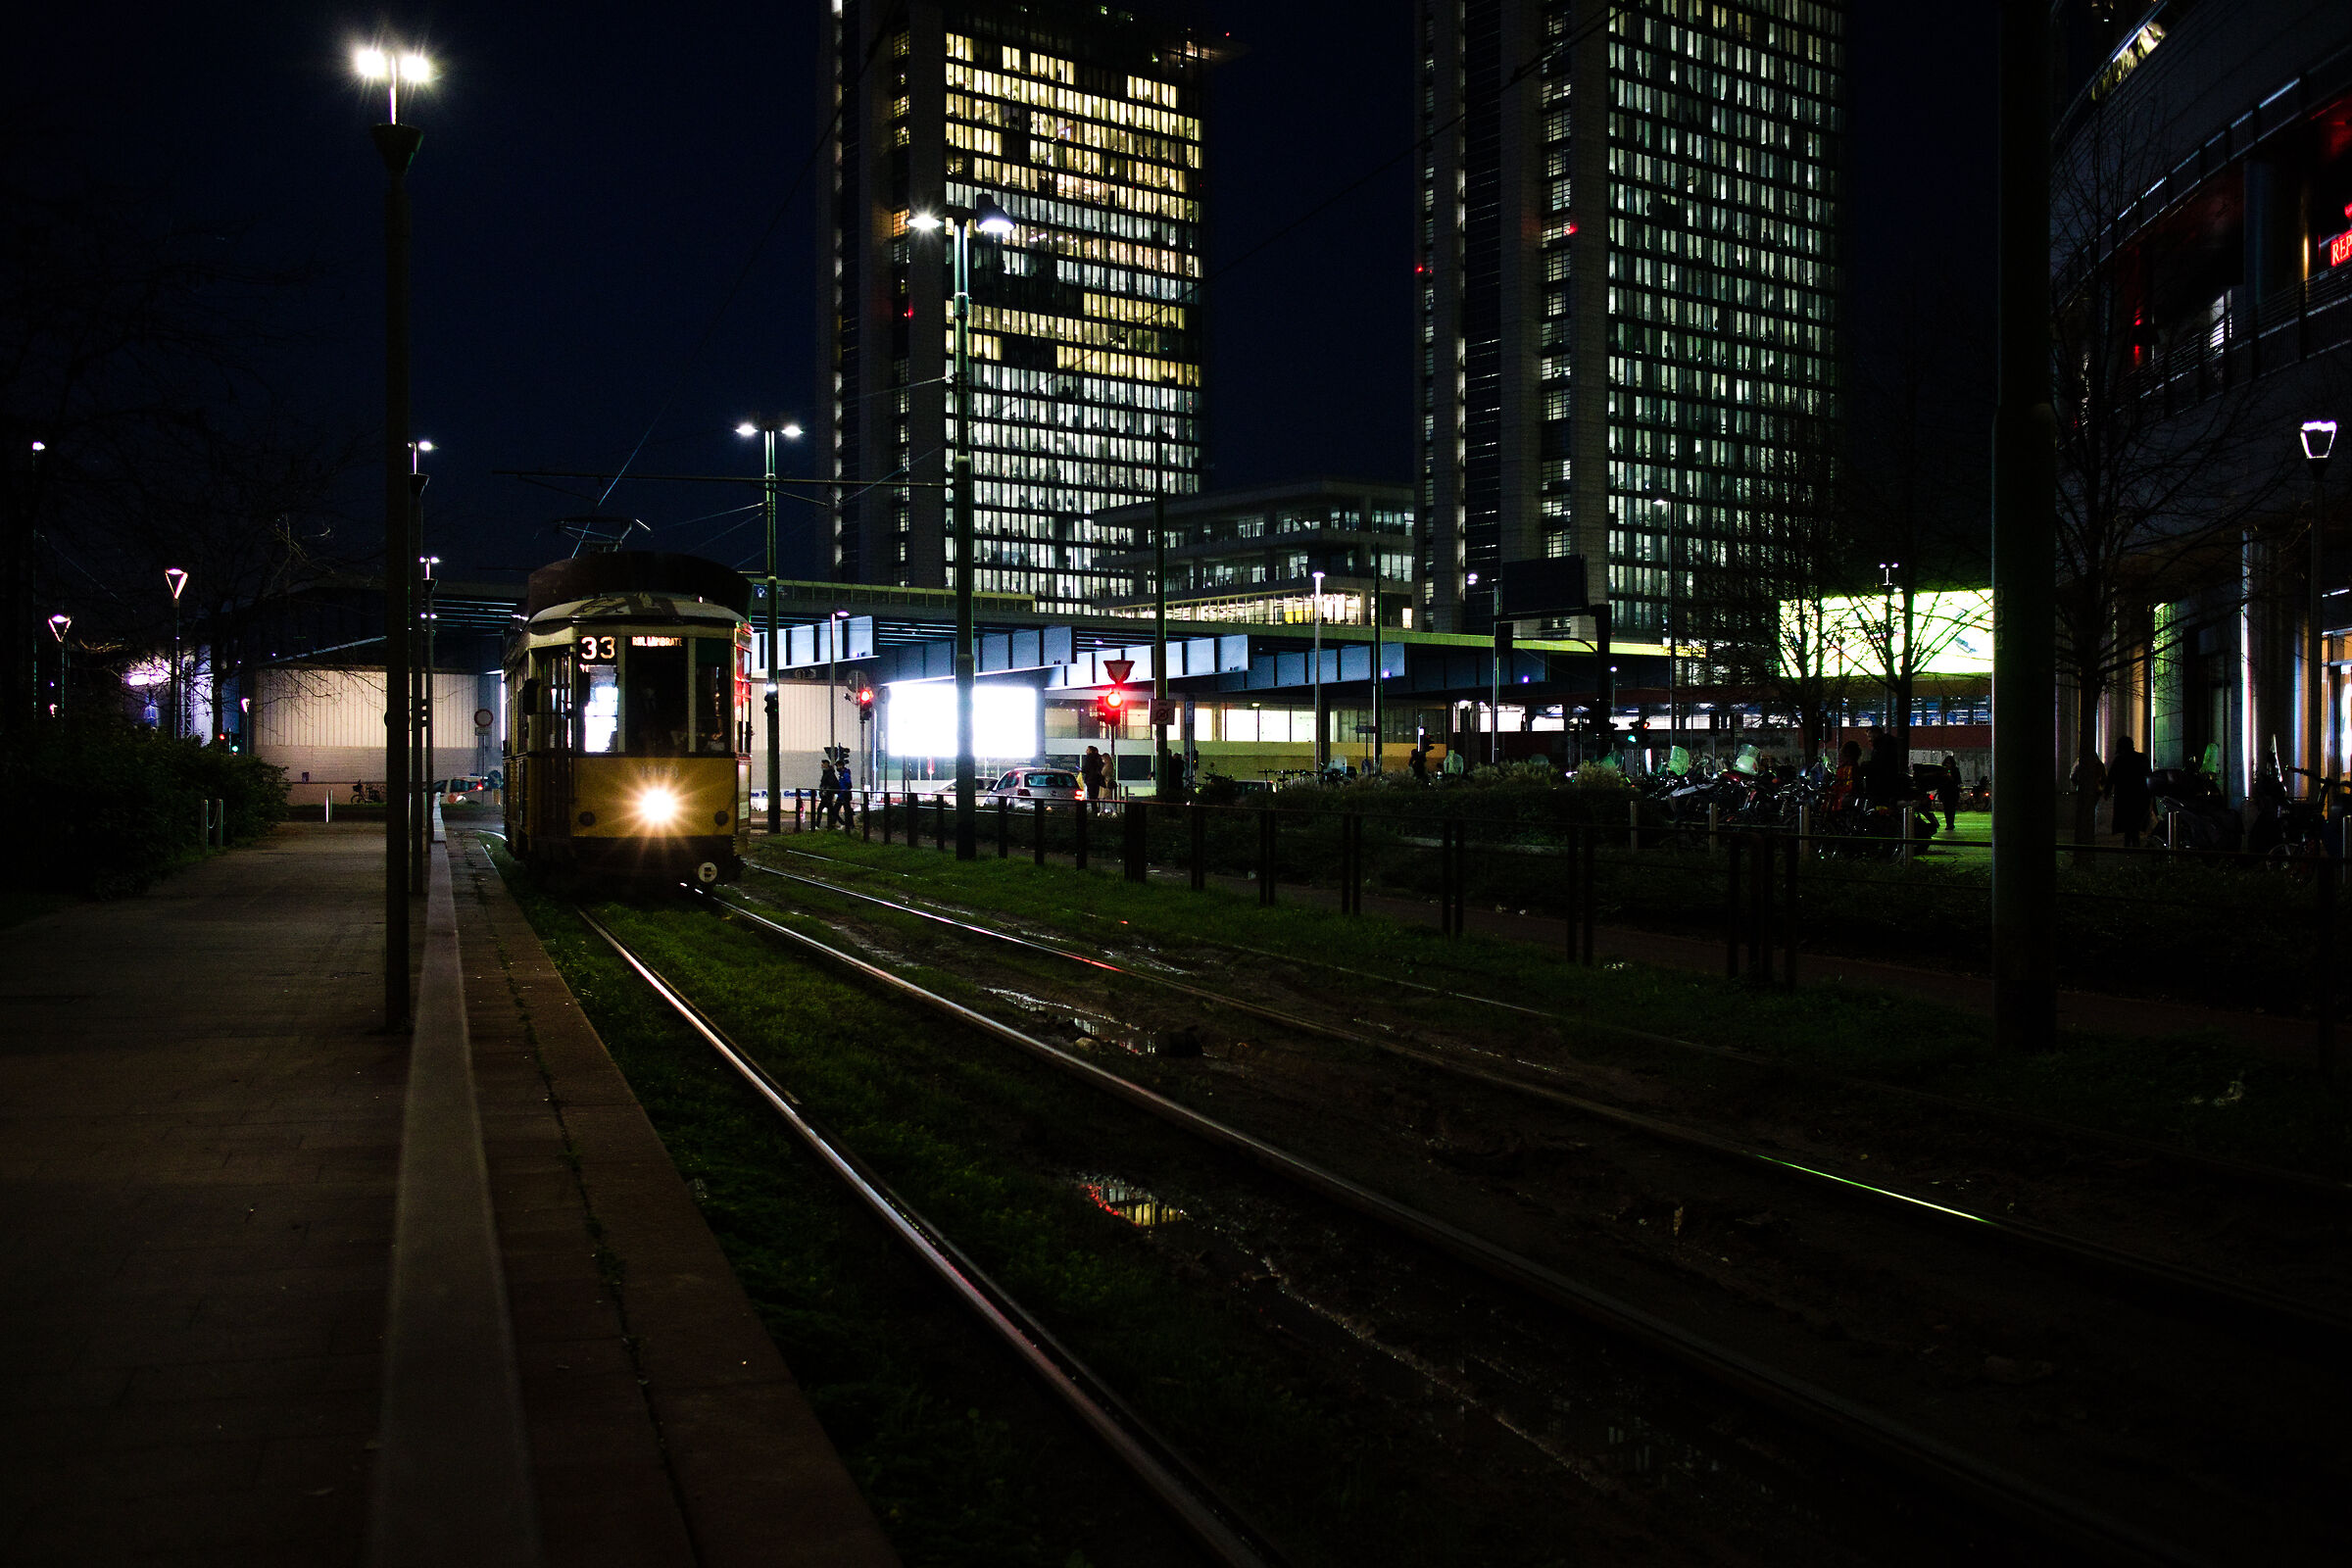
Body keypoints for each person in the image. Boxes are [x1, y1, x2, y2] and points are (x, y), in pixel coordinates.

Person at [2108, 736, 2151, 849]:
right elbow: (2149, 776)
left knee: (2128, 821)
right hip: (2140, 796)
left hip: (2124, 797)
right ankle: (2134, 842)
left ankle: (2129, 843)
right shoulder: (2142, 758)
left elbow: (2111, 778)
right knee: (2135, 821)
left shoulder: (2119, 760)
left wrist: (2107, 791)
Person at [1938, 752, 1961, 832]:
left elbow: (1958, 781)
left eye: (1949, 763)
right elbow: (1940, 783)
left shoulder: (1955, 770)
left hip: (1953, 792)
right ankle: (1949, 823)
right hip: (1945, 792)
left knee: (1951, 808)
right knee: (1947, 809)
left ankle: (1951, 823)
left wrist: (1951, 778)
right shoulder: (1942, 771)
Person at [816, 757, 838, 829]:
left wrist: (825, 790)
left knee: (821, 810)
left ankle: (817, 825)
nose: (821, 766)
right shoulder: (827, 773)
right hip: (826, 795)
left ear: (826, 764)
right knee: (832, 811)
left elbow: (830, 783)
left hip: (827, 795)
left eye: (823, 764)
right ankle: (833, 825)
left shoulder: (829, 774)